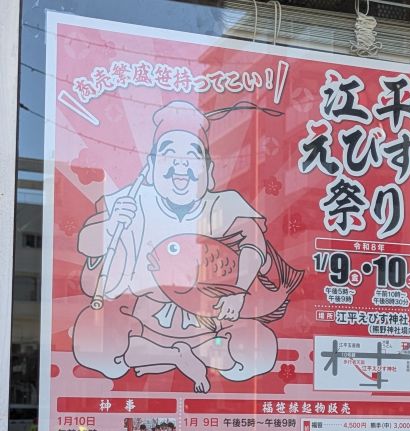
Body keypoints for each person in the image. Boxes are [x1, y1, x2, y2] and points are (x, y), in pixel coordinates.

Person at [73, 101, 296, 392]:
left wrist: (238, 292)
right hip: (144, 322)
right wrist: (113, 224)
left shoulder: (224, 205)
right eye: (169, 155)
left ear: (209, 170)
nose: (181, 166)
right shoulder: (130, 201)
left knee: (262, 349)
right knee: (90, 339)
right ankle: (174, 356)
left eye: (192, 156)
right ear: (151, 166)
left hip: (211, 326)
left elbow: (254, 245)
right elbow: (86, 242)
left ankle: (173, 356)